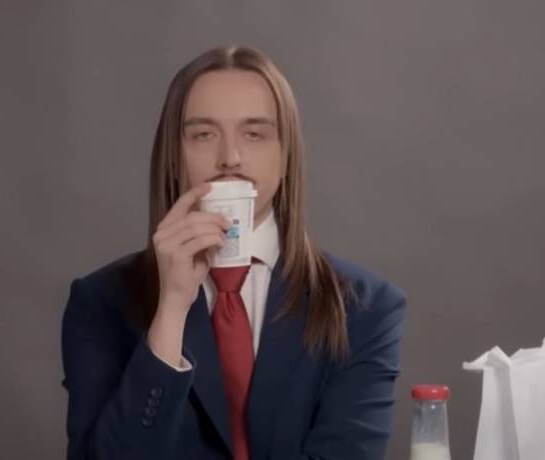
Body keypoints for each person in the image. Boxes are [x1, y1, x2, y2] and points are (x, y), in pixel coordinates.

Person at [61, 45, 406, 460]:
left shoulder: (364, 308)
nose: (230, 159)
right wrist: (171, 310)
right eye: (203, 135)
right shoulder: (101, 303)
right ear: (174, 157)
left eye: (254, 134)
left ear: (286, 156)